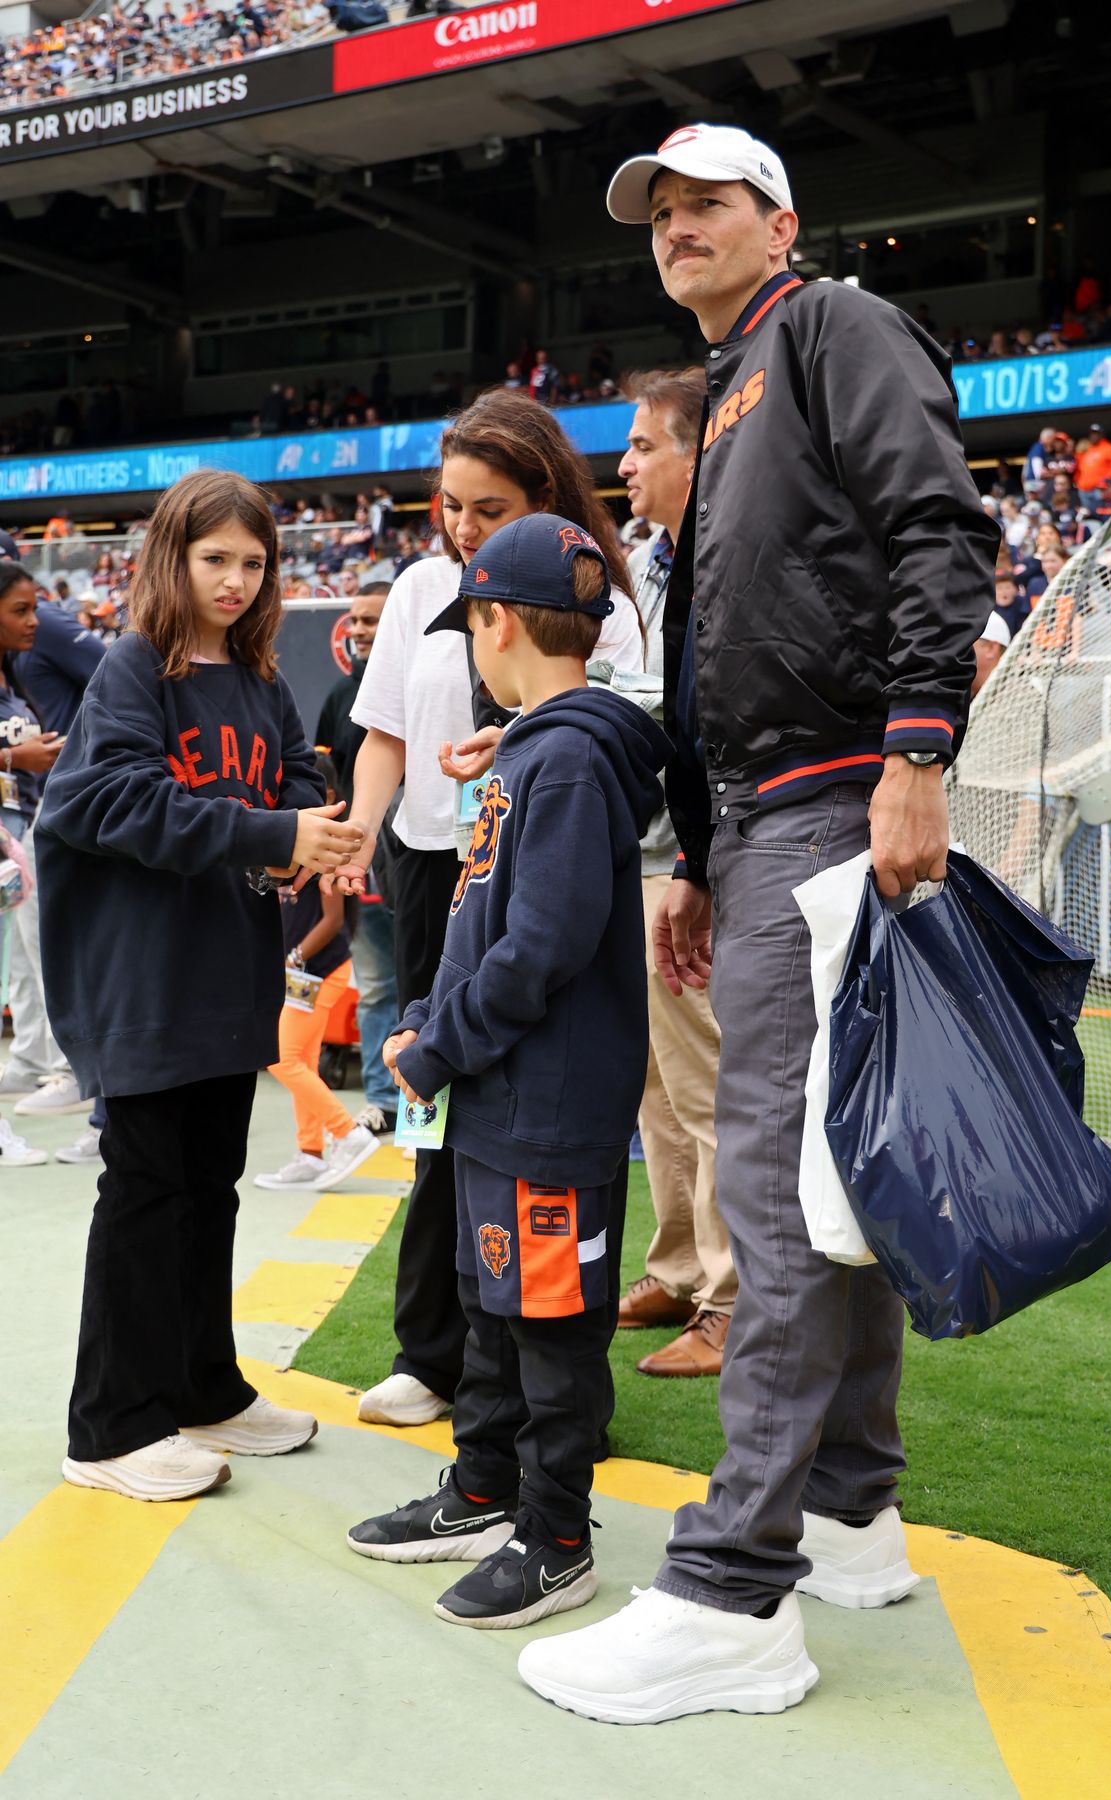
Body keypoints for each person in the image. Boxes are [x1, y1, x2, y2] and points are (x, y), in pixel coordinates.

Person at [517, 121, 996, 1722]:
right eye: (657, 215)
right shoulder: (730, 387)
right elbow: (729, 657)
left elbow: (942, 527)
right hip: (781, 811)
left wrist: (922, 749)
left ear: (778, 216)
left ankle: (734, 1591)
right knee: (828, 1168)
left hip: (847, 783)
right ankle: (854, 1505)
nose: (675, 230)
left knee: (772, 1182)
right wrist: (707, 854)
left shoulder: (830, 326)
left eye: (705, 203)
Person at [346, 513, 671, 1629]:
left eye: (470, 625)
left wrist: (435, 1043)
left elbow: (543, 947)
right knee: (491, 1309)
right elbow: (486, 923)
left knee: (549, 1322)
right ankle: (484, 1488)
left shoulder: (569, 757)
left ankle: (556, 1535)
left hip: (548, 1102)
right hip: (497, 1095)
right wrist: (429, 1017)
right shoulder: (537, 746)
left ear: (495, 622)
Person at [36, 469, 364, 1504]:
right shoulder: (136, 667)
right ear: (170, 560)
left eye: (253, 562)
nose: (234, 579)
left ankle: (200, 1387)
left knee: (209, 1187)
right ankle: (109, 1425)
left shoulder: (263, 680)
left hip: (226, 974)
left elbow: (294, 783)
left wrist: (313, 834)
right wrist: (273, 832)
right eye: (214, 558)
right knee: (144, 1191)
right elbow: (109, 798)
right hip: (143, 978)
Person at [327, 390, 644, 1432]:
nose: (463, 528)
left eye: (489, 506)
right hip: (435, 874)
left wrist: (509, 752)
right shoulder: (420, 581)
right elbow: (381, 733)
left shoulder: (599, 605)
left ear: (546, 499)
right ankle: (439, 1354)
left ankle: (540, 1402)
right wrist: (360, 834)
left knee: (528, 1121)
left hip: (537, 878)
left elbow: (590, 732)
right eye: (450, 504)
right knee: (441, 1121)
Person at [614, 367, 735, 1376]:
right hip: (648, 851)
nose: (625, 464)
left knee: (707, 1084)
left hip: (703, 855)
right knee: (656, 1086)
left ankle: (733, 1300)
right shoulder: (646, 564)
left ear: (699, 452)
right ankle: (682, 1264)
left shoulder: (734, 548)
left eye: (645, 445)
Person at [255, 755, 377, 1190]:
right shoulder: (288, 840)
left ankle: (348, 1133)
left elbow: (332, 921)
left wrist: (293, 957)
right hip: (303, 974)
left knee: (281, 1060)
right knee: (301, 1061)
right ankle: (310, 1154)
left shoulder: (327, 846)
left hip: (319, 973)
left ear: (327, 797)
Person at [314, 581, 400, 1134]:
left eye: (373, 620)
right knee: (375, 988)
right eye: (357, 621)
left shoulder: (422, 680)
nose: (362, 630)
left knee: (431, 982)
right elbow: (324, 788)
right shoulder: (338, 698)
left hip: (426, 860)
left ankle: (425, 1102)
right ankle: (383, 1101)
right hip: (362, 866)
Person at [0, 562, 66, 1168]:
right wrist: (11, 755)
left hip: (15, 842)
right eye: (20, 610)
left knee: (26, 960)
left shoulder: (14, 675)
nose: (33, 621)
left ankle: (36, 1059)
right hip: (10, 841)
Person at [1075, 422, 1111, 512]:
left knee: (1099, 513)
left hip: (1099, 489)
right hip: (1083, 489)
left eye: (1096, 434)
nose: (1094, 436)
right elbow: (1078, 467)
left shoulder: (1109, 448)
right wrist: (1078, 482)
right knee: (1087, 514)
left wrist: (1105, 481)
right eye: (1092, 434)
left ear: (1101, 435)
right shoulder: (1086, 449)